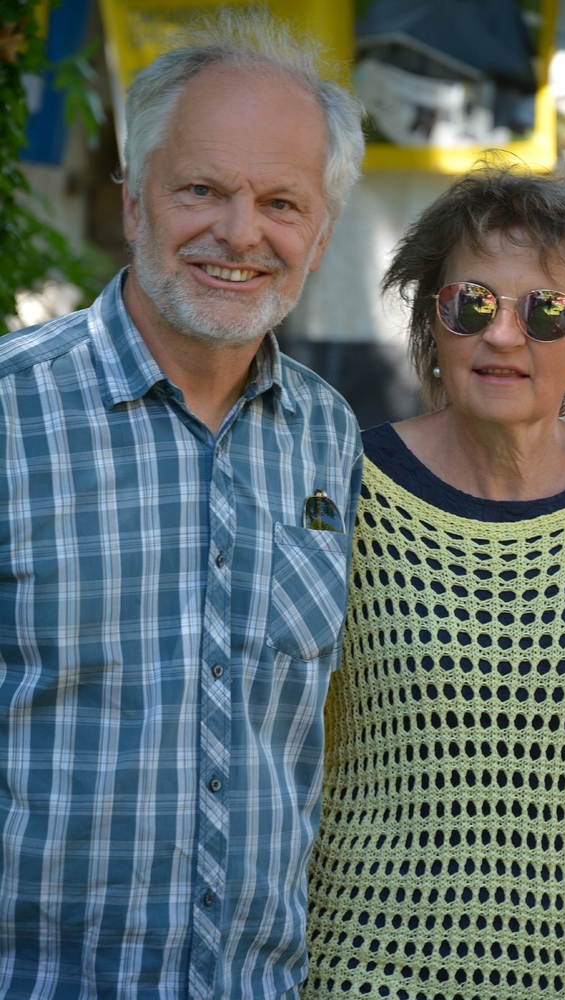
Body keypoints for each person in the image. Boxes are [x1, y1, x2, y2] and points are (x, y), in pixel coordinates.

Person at [0, 9, 365, 998]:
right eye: (201, 189)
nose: (240, 233)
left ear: (319, 237)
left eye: (280, 202)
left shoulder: (328, 439)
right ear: (133, 202)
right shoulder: (10, 412)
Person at [304, 167, 565, 999]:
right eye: (470, 303)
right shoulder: (342, 490)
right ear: (431, 318)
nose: (502, 335)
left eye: (546, 312)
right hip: (366, 973)